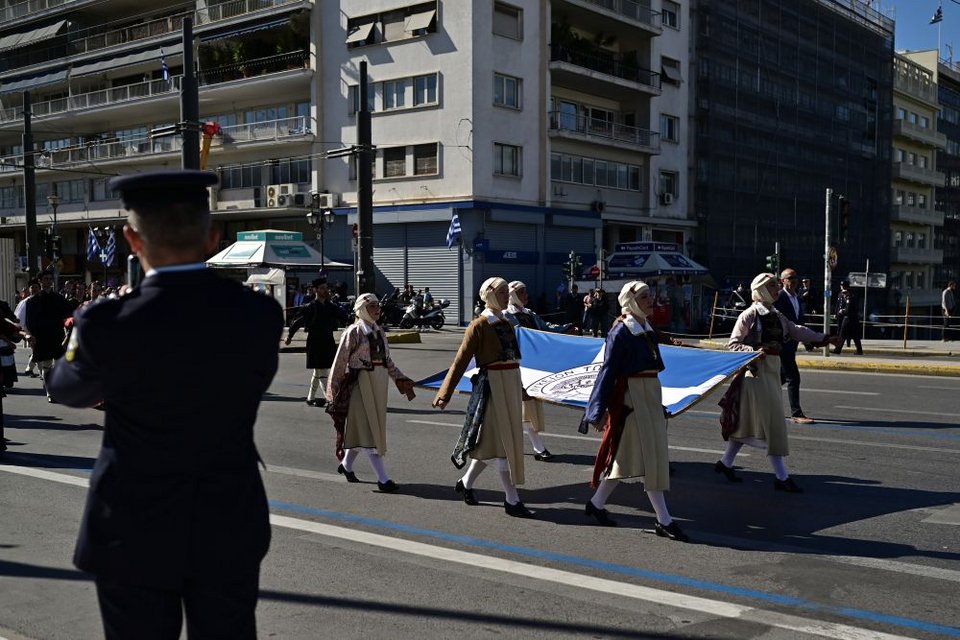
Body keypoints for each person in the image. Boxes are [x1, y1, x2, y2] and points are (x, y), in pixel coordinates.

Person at [46, 170, 284, 640]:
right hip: (227, 516)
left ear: (132, 239)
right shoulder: (259, 314)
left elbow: (67, 390)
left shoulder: (107, 321)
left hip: (131, 522)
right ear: (213, 236)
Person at [579, 281, 688, 540]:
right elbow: (608, 371)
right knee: (648, 458)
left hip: (649, 398)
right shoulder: (621, 331)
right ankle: (664, 520)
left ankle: (596, 504)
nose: (651, 300)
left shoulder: (645, 328)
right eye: (644, 297)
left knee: (628, 459)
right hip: (633, 401)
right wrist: (596, 410)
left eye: (650, 295)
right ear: (630, 301)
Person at [717, 273, 839, 493]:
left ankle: (725, 463)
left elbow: (796, 330)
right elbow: (733, 345)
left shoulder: (776, 314)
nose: (777, 288)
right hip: (755, 376)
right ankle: (781, 477)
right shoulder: (749, 315)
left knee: (746, 423)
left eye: (776, 284)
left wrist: (824, 338)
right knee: (772, 424)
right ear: (761, 290)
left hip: (771, 373)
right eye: (772, 285)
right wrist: (754, 351)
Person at [433, 277, 533, 518]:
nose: (505, 296)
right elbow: (461, 360)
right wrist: (444, 393)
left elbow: (514, 360)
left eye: (505, 292)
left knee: (493, 445)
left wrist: (520, 388)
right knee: (502, 448)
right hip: (493, 388)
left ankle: (466, 483)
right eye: (500, 292)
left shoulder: (507, 323)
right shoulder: (479, 325)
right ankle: (512, 499)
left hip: (509, 385)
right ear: (487, 295)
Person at [325, 293, 416, 492]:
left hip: (379, 385)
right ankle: (383, 479)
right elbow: (339, 362)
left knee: (365, 430)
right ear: (362, 310)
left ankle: (346, 466)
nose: (377, 309)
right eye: (372, 306)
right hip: (362, 384)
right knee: (370, 430)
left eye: (378, 306)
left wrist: (402, 378)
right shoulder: (354, 332)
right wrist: (332, 393)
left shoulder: (379, 331)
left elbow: (387, 362)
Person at [503, 280, 573, 462]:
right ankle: (538, 447)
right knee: (523, 406)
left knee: (525, 407)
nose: (526, 296)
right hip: (513, 366)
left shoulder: (529, 314)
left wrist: (566, 328)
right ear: (513, 295)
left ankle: (504, 442)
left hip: (531, 367)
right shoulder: (505, 316)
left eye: (525, 292)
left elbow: (545, 328)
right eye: (522, 292)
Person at [285, 277, 343, 407]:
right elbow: (297, 322)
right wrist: (289, 336)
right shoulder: (310, 307)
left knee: (319, 371)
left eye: (326, 288)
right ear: (315, 290)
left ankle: (311, 397)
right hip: (315, 342)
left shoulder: (331, 306)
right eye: (322, 288)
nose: (325, 290)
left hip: (328, 340)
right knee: (322, 371)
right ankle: (330, 399)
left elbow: (343, 316)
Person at [23, 270, 73, 402]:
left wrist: (68, 332)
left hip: (57, 335)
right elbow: (30, 321)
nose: (48, 281)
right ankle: (50, 392)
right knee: (46, 365)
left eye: (50, 279)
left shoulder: (58, 298)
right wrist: (32, 336)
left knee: (59, 364)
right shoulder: (33, 301)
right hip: (42, 337)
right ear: (40, 281)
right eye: (46, 279)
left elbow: (68, 315)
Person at [773, 268, 814, 424]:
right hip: (783, 345)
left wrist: (807, 340)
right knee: (793, 378)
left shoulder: (796, 298)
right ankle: (796, 413)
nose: (794, 280)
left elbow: (799, 322)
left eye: (796, 277)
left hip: (793, 344)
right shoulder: (780, 297)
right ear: (783, 281)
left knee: (780, 378)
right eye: (790, 278)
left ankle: (759, 397)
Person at [14, 280, 40, 377]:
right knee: (36, 350)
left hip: (40, 330)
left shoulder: (41, 300)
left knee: (37, 350)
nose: (34, 289)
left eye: (36, 287)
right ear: (29, 289)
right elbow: (19, 318)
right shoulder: (25, 302)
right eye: (32, 287)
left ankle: (30, 369)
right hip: (29, 330)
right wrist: (25, 332)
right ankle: (38, 371)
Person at [834, 281, 863, 355]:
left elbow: (848, 309)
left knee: (842, 334)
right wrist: (837, 312)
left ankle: (838, 349)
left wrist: (842, 311)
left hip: (849, 318)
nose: (844, 294)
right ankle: (859, 350)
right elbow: (838, 304)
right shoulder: (843, 294)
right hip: (849, 318)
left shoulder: (850, 295)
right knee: (855, 335)